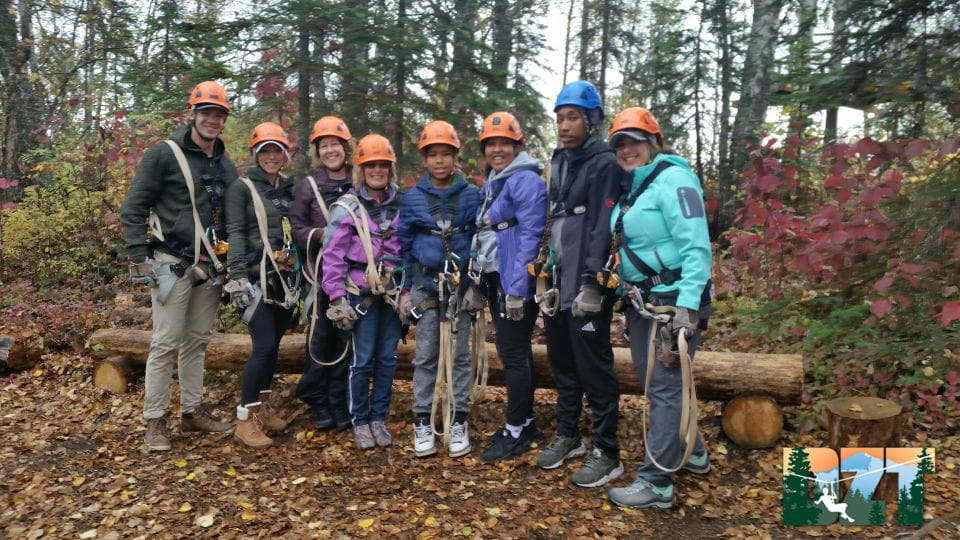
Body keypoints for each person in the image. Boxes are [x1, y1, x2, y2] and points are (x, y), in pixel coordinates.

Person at [604, 107, 712, 509]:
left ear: (654, 143)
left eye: (635, 141)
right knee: (661, 385)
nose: (627, 149)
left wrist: (686, 308)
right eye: (620, 143)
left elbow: (697, 247)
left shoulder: (675, 180)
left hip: (671, 302)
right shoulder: (637, 187)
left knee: (664, 389)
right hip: (643, 302)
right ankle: (693, 453)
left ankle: (657, 483)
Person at [119, 81, 236, 451]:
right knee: (165, 342)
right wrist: (139, 256)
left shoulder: (224, 162)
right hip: (172, 260)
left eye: (218, 114)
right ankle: (155, 422)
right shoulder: (164, 154)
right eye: (206, 112)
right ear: (193, 114)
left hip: (212, 265)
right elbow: (134, 206)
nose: (212, 120)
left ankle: (192, 412)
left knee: (197, 342)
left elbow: (238, 210)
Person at [536, 80, 624, 488]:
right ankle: (568, 433)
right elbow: (554, 221)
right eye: (560, 118)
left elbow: (603, 225)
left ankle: (607, 450)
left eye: (573, 117)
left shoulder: (603, 162)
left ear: (591, 121)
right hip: (558, 278)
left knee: (594, 365)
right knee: (563, 361)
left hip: (586, 282)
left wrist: (592, 282)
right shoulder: (559, 161)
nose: (565, 125)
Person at [396, 120, 481, 458]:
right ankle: (422, 419)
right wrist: (405, 288)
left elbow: (479, 239)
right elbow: (404, 244)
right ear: (425, 159)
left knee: (460, 356)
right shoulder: (413, 198)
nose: (440, 161)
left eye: (446, 154)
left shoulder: (471, 195)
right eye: (434, 155)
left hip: (460, 287)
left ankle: (459, 419)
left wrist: (476, 283)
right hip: (427, 284)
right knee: (427, 355)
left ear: (455, 157)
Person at [471, 112, 547, 463]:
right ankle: (524, 419)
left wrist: (516, 288)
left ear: (518, 145)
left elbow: (531, 234)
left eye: (504, 143)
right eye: (491, 143)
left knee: (514, 353)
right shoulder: (497, 180)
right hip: (495, 274)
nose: (497, 148)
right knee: (510, 349)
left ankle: (518, 426)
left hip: (512, 279)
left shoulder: (525, 181)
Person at [322, 134, 403, 450]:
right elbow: (332, 254)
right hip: (360, 293)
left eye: (383, 164)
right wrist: (336, 297)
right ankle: (360, 421)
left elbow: (408, 248)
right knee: (362, 359)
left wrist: (408, 289)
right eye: (371, 165)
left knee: (387, 358)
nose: (377, 170)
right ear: (361, 169)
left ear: (390, 168)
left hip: (393, 293)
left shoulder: (401, 205)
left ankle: (378, 417)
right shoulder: (348, 208)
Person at [223, 122, 299, 448]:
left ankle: (261, 411)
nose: (271, 156)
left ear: (285, 155)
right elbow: (236, 232)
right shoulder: (242, 188)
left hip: (284, 278)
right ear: (255, 154)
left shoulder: (288, 190)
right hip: (255, 277)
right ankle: (244, 419)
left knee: (273, 348)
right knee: (264, 345)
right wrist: (237, 274)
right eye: (265, 150)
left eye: (276, 150)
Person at [291, 116, 354, 432]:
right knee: (321, 338)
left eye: (335, 144)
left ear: (346, 147)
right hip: (320, 276)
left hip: (354, 276)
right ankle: (317, 397)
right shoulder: (309, 187)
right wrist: (321, 235)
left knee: (348, 339)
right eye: (324, 145)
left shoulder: (360, 181)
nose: (331, 150)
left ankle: (338, 398)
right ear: (318, 151)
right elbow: (297, 229)